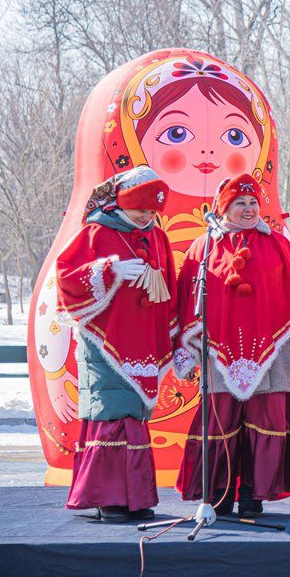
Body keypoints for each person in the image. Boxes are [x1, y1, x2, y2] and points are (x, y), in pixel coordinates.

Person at [173, 173, 290, 517]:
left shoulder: (279, 244)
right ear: (223, 208)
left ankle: (254, 494)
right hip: (219, 354)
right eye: (240, 202)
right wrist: (188, 346)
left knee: (264, 422)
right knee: (222, 426)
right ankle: (221, 496)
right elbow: (187, 297)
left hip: (273, 355)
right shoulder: (205, 245)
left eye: (254, 202)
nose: (249, 208)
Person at [55, 166, 176, 522]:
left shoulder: (157, 237)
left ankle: (136, 497)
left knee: (135, 415)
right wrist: (110, 271)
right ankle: (108, 498)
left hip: (143, 341)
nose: (147, 216)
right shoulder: (95, 232)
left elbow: (166, 288)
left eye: (153, 211)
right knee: (112, 413)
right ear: (122, 202)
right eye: (141, 209)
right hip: (104, 342)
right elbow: (65, 277)